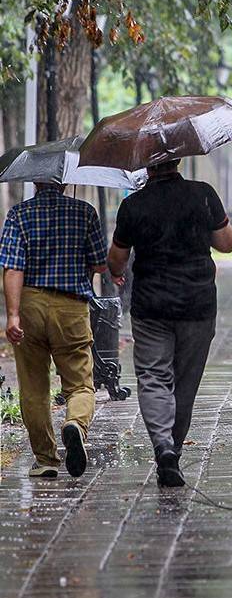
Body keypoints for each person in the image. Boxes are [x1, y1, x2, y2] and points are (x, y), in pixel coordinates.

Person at [107, 159, 232, 487]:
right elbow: (227, 243)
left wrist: (118, 273)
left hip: (151, 305)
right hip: (197, 304)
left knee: (153, 376)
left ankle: (163, 445)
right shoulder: (203, 195)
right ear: (178, 160)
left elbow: (117, 259)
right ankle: (173, 449)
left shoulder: (133, 205)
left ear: (146, 168)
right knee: (185, 383)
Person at [0, 183, 107, 478]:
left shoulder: (19, 214)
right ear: (63, 183)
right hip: (71, 307)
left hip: (30, 304)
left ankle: (46, 459)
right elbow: (100, 263)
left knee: (34, 387)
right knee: (81, 384)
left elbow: (12, 268)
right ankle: (75, 424)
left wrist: (12, 316)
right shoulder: (84, 212)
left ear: (35, 182)